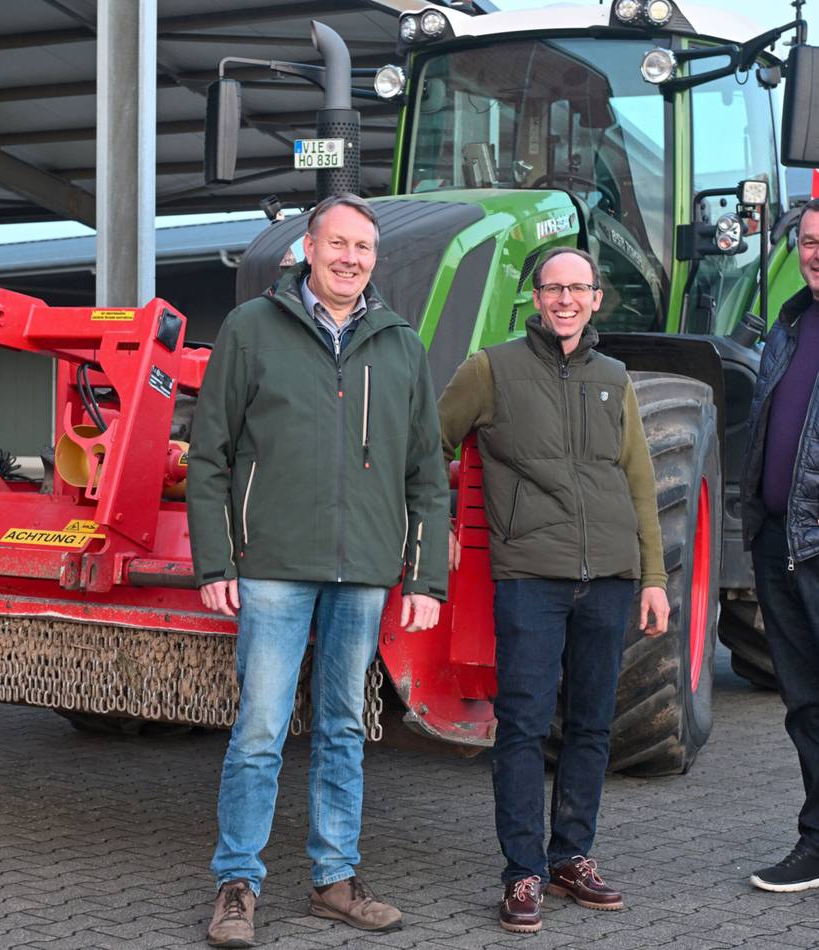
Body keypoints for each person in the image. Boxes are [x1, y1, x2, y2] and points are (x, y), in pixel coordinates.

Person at [187, 193, 449, 948]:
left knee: (342, 726)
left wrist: (424, 578)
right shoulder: (252, 329)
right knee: (261, 728)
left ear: (375, 259)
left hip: (364, 567)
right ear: (308, 248)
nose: (350, 258)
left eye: (363, 248)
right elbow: (210, 456)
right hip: (272, 564)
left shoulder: (400, 344)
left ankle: (335, 878)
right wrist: (216, 559)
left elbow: (426, 473)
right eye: (337, 244)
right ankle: (238, 883)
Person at [438, 246, 669, 934]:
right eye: (553, 288)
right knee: (524, 727)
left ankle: (571, 857)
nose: (565, 299)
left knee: (593, 727)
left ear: (597, 299)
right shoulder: (492, 369)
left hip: (609, 580)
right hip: (530, 578)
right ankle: (523, 873)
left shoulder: (614, 378)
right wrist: (437, 519)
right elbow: (429, 443)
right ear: (534, 298)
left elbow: (640, 485)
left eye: (578, 288)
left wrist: (653, 577)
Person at [741, 196, 819, 893]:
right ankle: (816, 842)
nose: (817, 252)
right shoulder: (789, 323)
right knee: (805, 706)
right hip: (781, 543)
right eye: (811, 241)